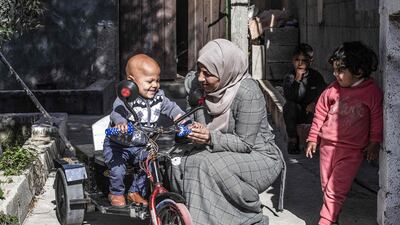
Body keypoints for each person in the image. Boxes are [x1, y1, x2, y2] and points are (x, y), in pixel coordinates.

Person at [169, 39, 286, 225]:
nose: (200, 78)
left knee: (204, 164)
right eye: (200, 70)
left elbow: (245, 144)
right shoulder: (199, 86)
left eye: (208, 74)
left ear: (226, 72)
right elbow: (193, 114)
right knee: (176, 162)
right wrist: (190, 129)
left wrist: (209, 137)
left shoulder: (247, 92)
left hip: (259, 155)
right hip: (218, 148)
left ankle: (244, 216)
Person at [305, 41, 383, 225]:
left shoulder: (371, 93)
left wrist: (374, 141)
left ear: (359, 71)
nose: (335, 75)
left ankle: (325, 220)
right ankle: (333, 217)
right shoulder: (332, 90)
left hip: (351, 152)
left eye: (340, 71)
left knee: (335, 188)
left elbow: (377, 119)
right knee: (326, 186)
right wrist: (312, 137)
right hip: (327, 147)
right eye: (334, 70)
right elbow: (319, 113)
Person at [103, 54, 185, 207]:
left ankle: (134, 192)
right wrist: (120, 124)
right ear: (131, 81)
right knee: (117, 169)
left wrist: (181, 119)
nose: (155, 85)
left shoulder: (159, 97)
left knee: (148, 165)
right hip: (118, 145)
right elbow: (117, 112)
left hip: (142, 144)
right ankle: (116, 192)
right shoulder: (126, 98)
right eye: (149, 81)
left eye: (157, 80)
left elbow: (172, 108)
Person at [283, 43, 326, 154]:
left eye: (304, 60)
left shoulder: (316, 76)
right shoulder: (290, 77)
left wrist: (315, 104)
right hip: (297, 114)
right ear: (293, 60)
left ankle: (317, 141)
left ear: (310, 61)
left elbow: (325, 94)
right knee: (289, 106)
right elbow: (290, 97)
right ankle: (293, 140)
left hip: (312, 113)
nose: (300, 63)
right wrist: (297, 80)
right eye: (297, 60)